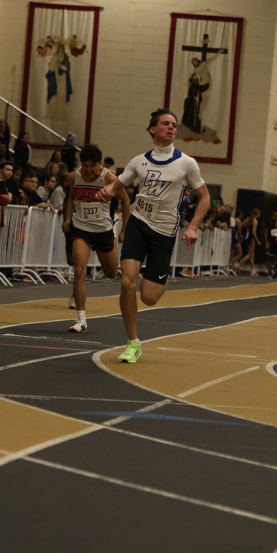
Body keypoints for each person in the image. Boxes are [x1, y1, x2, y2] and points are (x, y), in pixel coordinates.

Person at [94, 109, 209, 364]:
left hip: (164, 231)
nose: (171, 128)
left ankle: (156, 279)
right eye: (166, 124)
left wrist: (192, 226)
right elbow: (118, 184)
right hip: (139, 223)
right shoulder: (139, 161)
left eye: (174, 125)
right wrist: (107, 192)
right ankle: (132, 342)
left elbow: (205, 197)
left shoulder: (186, 163)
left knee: (149, 297)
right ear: (153, 129)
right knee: (127, 283)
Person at [62, 145, 132, 331]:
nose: (88, 170)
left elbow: (126, 201)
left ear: (100, 164)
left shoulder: (109, 178)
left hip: (103, 230)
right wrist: (68, 218)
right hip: (81, 228)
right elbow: (70, 197)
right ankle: (81, 320)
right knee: (79, 270)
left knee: (111, 273)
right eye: (84, 166)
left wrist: (124, 230)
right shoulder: (74, 177)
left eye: (92, 166)